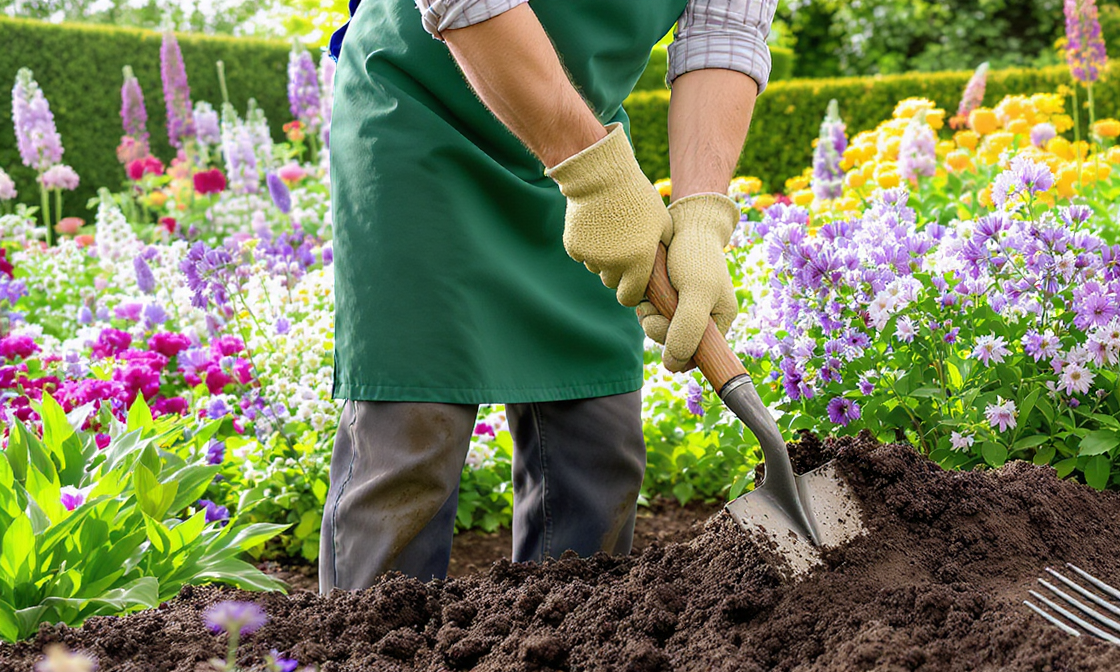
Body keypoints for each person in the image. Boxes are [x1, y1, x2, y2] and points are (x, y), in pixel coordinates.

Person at [319, 0, 777, 592]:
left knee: (598, 449)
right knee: (413, 438)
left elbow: (726, 31)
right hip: (421, 115)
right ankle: (364, 650)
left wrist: (701, 214)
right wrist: (595, 176)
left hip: (585, 136)